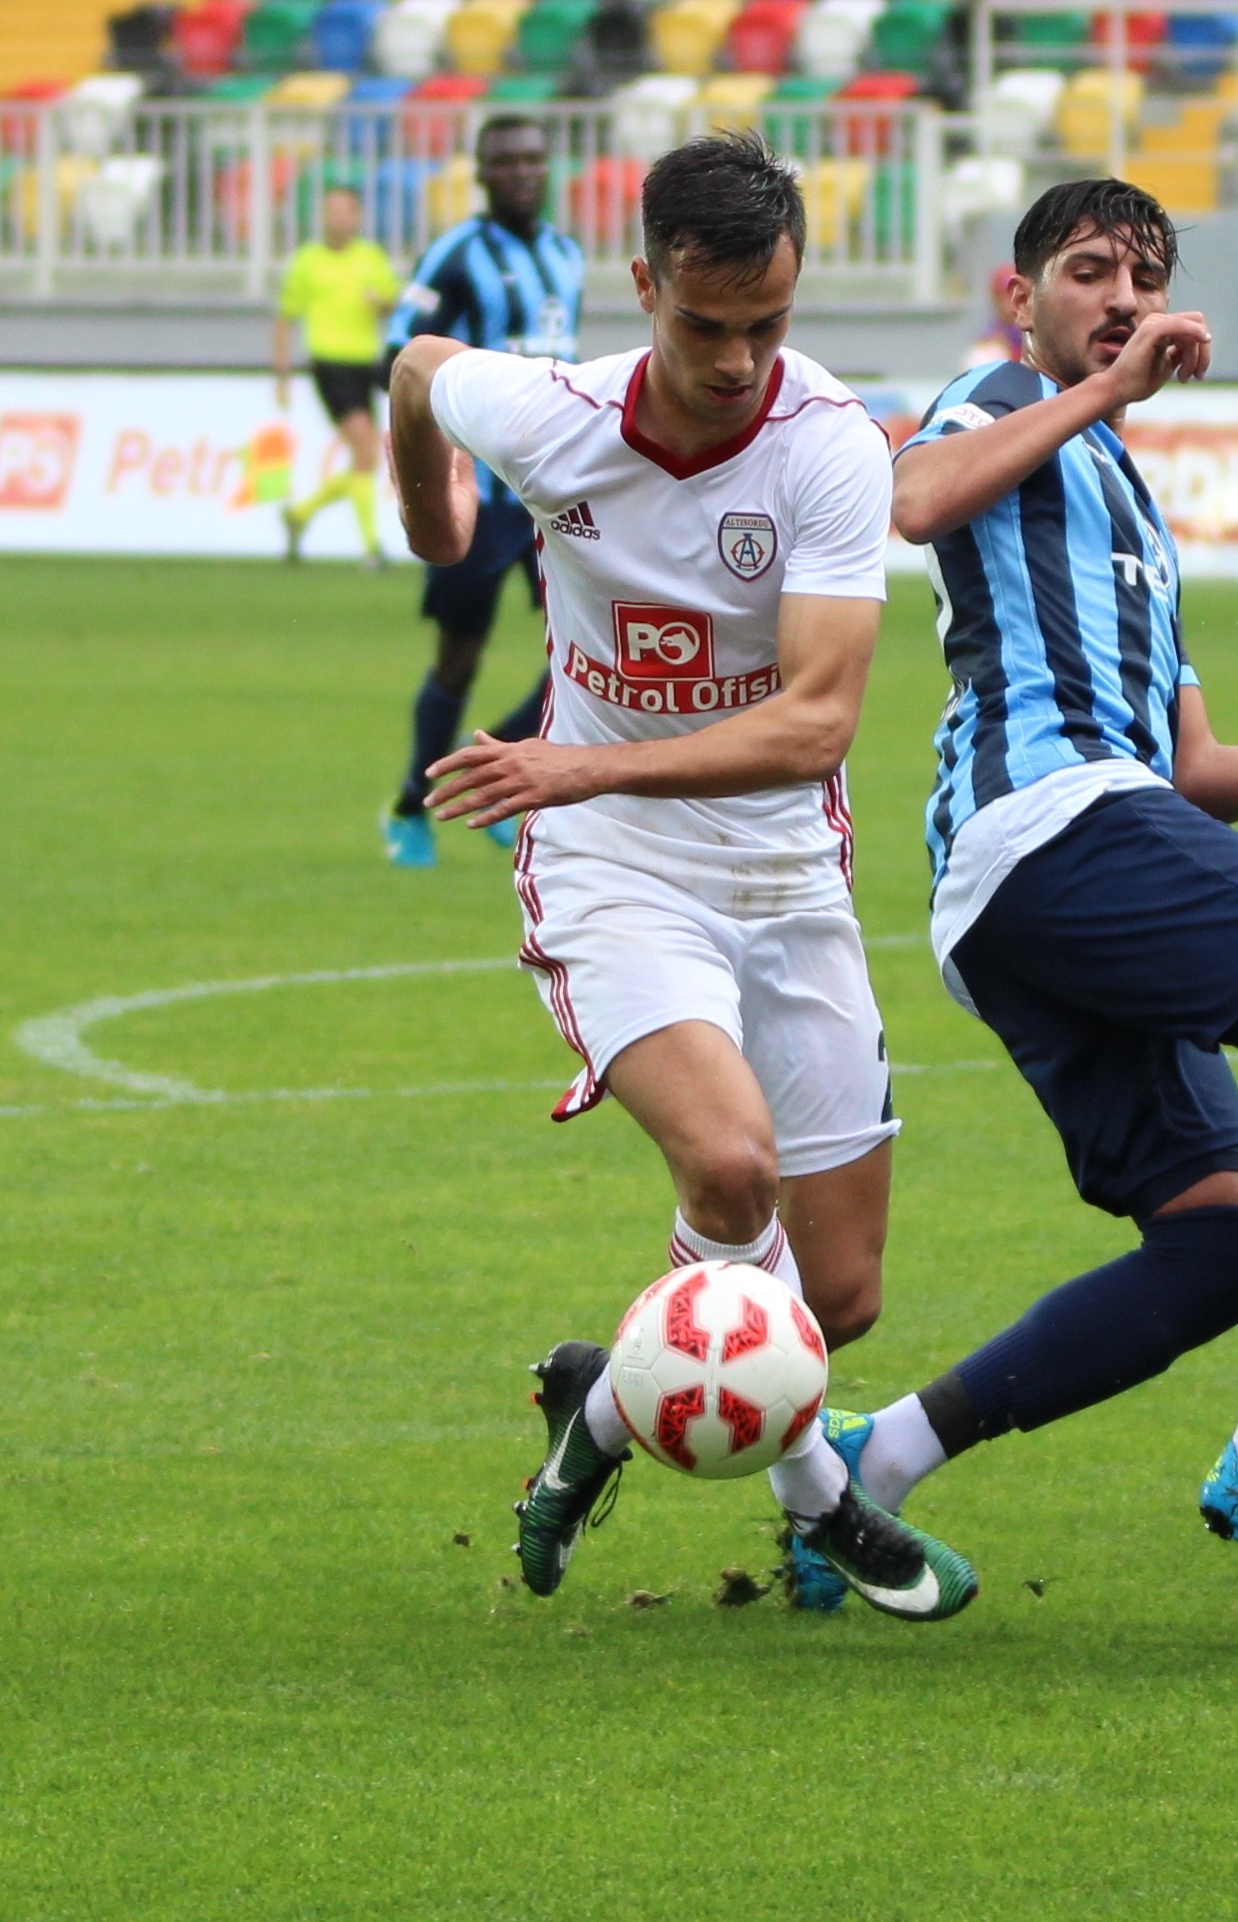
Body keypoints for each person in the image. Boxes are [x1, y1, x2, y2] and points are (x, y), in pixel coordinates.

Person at [776, 176, 1238, 1614]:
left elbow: (1192, 770)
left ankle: (877, 1461)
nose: (1122, 297)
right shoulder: (996, 396)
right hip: (1047, 826)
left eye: (1143, 277)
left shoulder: (1134, 505)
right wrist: (1102, 392)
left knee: (1220, 1240)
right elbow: (912, 499)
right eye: (1088, 270)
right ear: (1021, 298)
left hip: (1066, 866)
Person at [389, 133, 975, 1625]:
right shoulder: (553, 414)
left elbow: (817, 724)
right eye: (705, 324)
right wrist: (436, 523)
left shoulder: (829, 446)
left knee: (836, 1299)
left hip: (780, 867)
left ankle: (594, 1408)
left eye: (767, 324)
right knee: (728, 1166)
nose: (736, 360)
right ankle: (820, 1498)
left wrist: (574, 761)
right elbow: (417, 370)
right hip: (614, 862)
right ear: (643, 284)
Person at [376, 115, 584, 870]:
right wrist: (434, 458)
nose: (523, 172)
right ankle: (411, 805)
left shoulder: (566, 256)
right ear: (483, 173)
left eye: (533, 159)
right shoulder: (457, 255)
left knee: (586, 651)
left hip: (552, 491)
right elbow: (399, 354)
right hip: (480, 495)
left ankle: (502, 763)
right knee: (458, 657)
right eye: (507, 162)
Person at [274, 183, 399, 567]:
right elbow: (285, 319)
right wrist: (281, 375)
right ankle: (371, 548)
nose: (339, 219)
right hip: (329, 366)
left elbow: (395, 304)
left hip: (365, 366)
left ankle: (299, 514)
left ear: (357, 217)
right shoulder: (307, 261)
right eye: (332, 211)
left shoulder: (371, 258)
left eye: (346, 211)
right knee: (365, 450)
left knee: (366, 459)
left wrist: (382, 303)